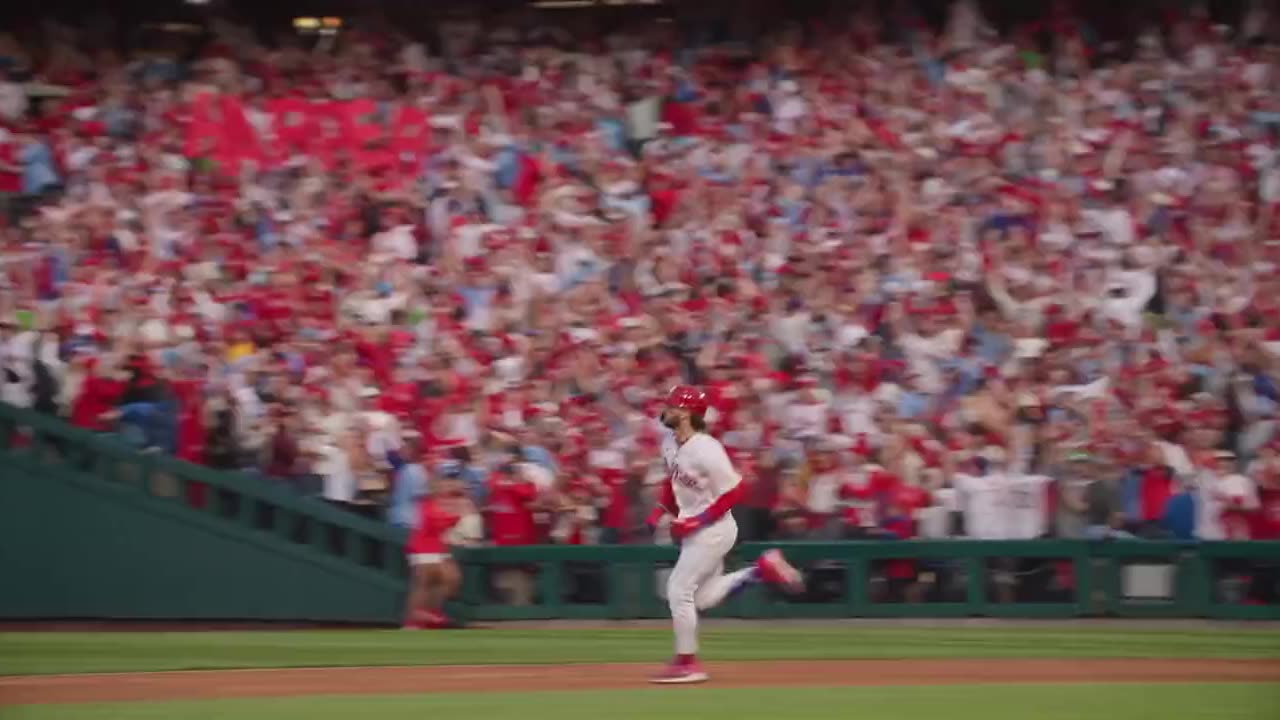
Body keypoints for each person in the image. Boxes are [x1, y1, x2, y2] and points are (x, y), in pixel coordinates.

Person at [645, 385, 804, 684]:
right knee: (700, 598)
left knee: (678, 590)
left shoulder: (706, 448)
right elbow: (672, 481)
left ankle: (687, 663)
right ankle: (762, 570)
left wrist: (699, 521)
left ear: (686, 413)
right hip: (695, 530)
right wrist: (657, 512)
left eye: (672, 405)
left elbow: (736, 490)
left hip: (714, 529)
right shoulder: (669, 442)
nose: (665, 409)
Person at [403, 469, 475, 630]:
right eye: (440, 484)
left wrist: (458, 512)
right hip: (422, 546)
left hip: (437, 546)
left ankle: (430, 613)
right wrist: (458, 515)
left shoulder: (447, 501)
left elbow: (447, 524)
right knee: (425, 582)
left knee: (450, 579)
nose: (444, 487)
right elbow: (436, 523)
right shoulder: (427, 504)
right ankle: (413, 621)